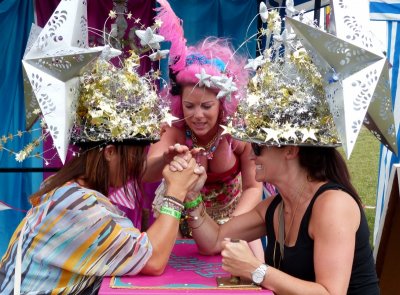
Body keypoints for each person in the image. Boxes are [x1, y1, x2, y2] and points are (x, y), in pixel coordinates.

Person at [169, 21, 380, 294]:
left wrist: (257, 270)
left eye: (259, 148)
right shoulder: (276, 207)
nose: (252, 155)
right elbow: (214, 240)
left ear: (291, 150)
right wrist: (193, 197)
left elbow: (331, 292)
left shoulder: (333, 205)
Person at [0, 43, 206, 294]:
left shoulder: (67, 190)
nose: (139, 163)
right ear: (109, 152)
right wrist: (175, 193)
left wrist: (165, 162)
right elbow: (152, 260)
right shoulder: (77, 206)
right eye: (137, 154)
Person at [144, 0, 264, 259]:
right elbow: (146, 174)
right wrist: (165, 159)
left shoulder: (237, 132)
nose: (197, 115)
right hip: (176, 214)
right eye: (189, 106)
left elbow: (254, 188)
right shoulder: (174, 131)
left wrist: (232, 227)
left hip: (233, 216)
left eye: (207, 106)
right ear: (180, 104)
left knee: (251, 276)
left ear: (223, 104)